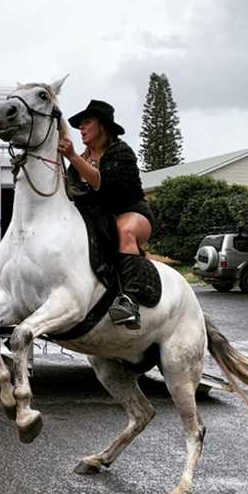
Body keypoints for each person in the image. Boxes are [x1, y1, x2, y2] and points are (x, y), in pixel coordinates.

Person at [57, 100, 155, 329]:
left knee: (124, 230)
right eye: (80, 125)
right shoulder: (80, 160)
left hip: (132, 212)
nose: (81, 129)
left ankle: (130, 302)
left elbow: (103, 183)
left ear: (103, 126)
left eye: (87, 123)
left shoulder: (121, 152)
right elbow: (71, 192)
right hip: (98, 218)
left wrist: (72, 156)